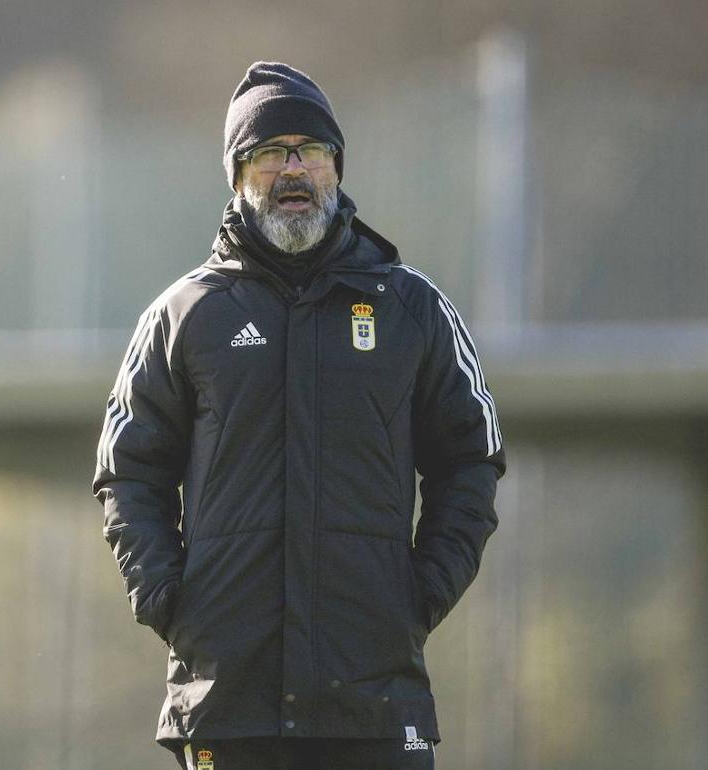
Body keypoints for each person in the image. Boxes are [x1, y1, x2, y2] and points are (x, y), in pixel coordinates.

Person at [92, 61, 505, 770]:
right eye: (268, 153)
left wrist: (420, 593)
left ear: (335, 168)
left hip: (375, 702)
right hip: (229, 701)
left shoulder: (413, 309)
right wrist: (171, 603)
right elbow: (127, 474)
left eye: (308, 150)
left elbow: (472, 456)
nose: (292, 169)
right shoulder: (183, 314)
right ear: (236, 174)